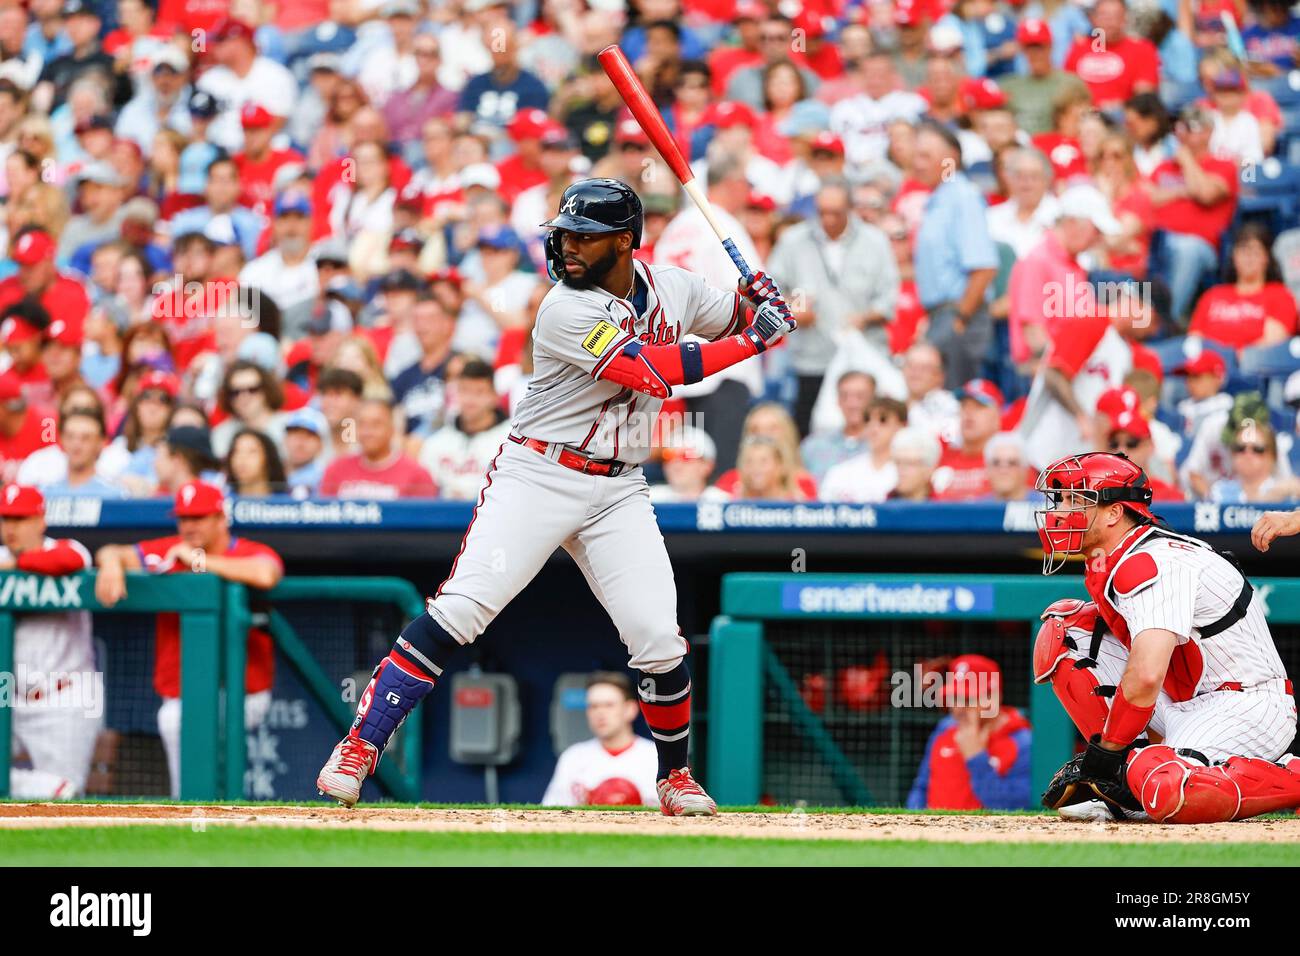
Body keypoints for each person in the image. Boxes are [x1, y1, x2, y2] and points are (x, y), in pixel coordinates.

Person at [316, 178, 797, 815]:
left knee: (657, 636)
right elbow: (653, 370)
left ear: (625, 241)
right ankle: (359, 745)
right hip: (539, 473)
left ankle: (674, 778)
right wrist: (757, 338)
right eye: (564, 234)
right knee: (464, 609)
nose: (567, 247)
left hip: (618, 486)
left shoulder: (674, 286)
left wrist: (756, 298)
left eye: (584, 238)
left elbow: (733, 313)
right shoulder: (562, 307)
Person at [1034, 452, 1300, 823]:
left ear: (1114, 513)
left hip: (1245, 705)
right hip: (1186, 698)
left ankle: (1293, 779)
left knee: (1168, 787)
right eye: (1060, 500)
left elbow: (1145, 676)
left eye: (1076, 501)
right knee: (1066, 631)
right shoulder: (1116, 558)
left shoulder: (1152, 562)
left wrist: (1105, 754)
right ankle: (1124, 785)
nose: (1060, 512)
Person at [94, 481, 284, 799]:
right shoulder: (171, 547)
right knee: (177, 728)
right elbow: (111, 550)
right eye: (184, 518)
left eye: (199, 517)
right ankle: (196, 813)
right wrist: (111, 563)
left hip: (243, 692)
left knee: (194, 738)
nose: (189, 526)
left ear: (221, 518)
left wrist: (198, 560)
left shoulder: (246, 550)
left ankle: (206, 809)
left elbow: (267, 573)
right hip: (181, 691)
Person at [766, 178, 899, 432]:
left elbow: (887, 297)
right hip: (811, 357)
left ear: (850, 208)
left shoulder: (875, 241)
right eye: (822, 212)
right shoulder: (794, 241)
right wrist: (795, 308)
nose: (828, 220)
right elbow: (772, 291)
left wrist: (865, 317)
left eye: (835, 213)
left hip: (863, 355)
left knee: (865, 425)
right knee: (809, 427)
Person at [0, 484, 99, 799]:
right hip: (8, 694)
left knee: (64, 801)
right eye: (5, 519)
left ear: (41, 520)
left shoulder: (69, 547)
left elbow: (65, 561)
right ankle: (38, 788)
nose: (11, 528)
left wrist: (16, 566)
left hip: (65, 695)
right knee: (54, 791)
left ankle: (48, 790)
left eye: (20, 519)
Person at [911, 121, 999, 388]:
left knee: (950, 399)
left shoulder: (963, 196)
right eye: (916, 155)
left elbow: (984, 267)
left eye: (925, 155)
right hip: (942, 316)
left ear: (951, 158)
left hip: (960, 317)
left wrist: (959, 320)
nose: (918, 163)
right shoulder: (939, 199)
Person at [1146, 105, 1240, 324]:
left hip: (1201, 248)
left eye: (1191, 127)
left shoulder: (1224, 165)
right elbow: (1146, 198)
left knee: (1187, 249)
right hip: (1157, 241)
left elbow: (1206, 194)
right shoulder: (1163, 167)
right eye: (1180, 127)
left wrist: (1187, 161)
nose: (1183, 133)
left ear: (1208, 132)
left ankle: (1163, 324)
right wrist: (1184, 190)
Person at [907, 655, 1033, 810]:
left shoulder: (1023, 741)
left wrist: (976, 758)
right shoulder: (944, 728)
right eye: (953, 697)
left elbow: (1017, 808)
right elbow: (921, 788)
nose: (958, 708)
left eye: (967, 699)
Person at [541, 672, 659, 807]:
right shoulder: (573, 757)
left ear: (630, 709)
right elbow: (552, 812)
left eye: (609, 705)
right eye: (593, 706)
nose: (600, 713)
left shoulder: (656, 756)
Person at [1188, 223, 1297, 351]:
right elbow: (1194, 342)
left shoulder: (1280, 295)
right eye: (1243, 251)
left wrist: (1232, 359)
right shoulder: (1212, 295)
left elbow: (1272, 344)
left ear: (1267, 257)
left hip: (1256, 368)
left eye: (1255, 251)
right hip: (1208, 367)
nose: (1249, 258)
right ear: (1234, 256)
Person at [417, 359, 509, 500]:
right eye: (465, 390)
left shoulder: (510, 441)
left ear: (494, 397)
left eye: (479, 392)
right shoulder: (435, 443)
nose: (470, 399)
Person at [318, 398, 438, 499]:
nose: (368, 432)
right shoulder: (336, 469)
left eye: (376, 425)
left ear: (391, 429)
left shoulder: (417, 475)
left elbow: (427, 520)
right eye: (362, 424)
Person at [818, 397, 908, 503]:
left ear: (902, 426)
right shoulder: (840, 473)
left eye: (883, 420)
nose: (873, 428)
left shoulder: (909, 473)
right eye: (867, 420)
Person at [799, 370, 876, 483]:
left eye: (860, 396)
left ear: (873, 399)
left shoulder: (886, 446)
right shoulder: (814, 445)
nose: (852, 404)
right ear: (838, 401)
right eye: (845, 396)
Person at [933, 379, 1004, 500]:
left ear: (997, 417)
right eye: (964, 405)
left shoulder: (1009, 464)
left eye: (979, 406)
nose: (969, 412)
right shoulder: (940, 459)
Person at [39, 408, 125, 498]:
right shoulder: (46, 493)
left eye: (86, 438)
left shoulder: (114, 496)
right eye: (70, 436)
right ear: (61, 440)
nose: (76, 445)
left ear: (101, 443)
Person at [1210, 421, 1300, 504]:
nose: (1247, 454)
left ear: (1272, 455)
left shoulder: (1289, 491)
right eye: (1240, 448)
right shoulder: (1218, 491)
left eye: (1257, 449)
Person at [649, 426, 722, 504]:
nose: (676, 465)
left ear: (707, 466)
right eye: (669, 456)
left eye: (686, 456)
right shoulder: (648, 500)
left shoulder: (723, 503)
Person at [225, 428, 287, 498]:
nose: (242, 458)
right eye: (236, 452)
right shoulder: (222, 501)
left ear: (269, 458)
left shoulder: (289, 503)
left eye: (252, 452)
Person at [282, 407, 330, 498]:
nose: (300, 443)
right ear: (285, 439)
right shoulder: (270, 470)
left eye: (308, 436)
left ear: (321, 444)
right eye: (295, 434)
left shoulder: (325, 477)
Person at [889, 427, 942, 502]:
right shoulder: (883, 508)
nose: (901, 469)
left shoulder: (942, 510)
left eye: (909, 463)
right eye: (898, 462)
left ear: (929, 470)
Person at [983, 431, 1035, 501]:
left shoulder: (1046, 508)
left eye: (1012, 463)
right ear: (988, 469)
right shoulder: (976, 509)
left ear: (1024, 470)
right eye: (996, 463)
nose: (1003, 470)